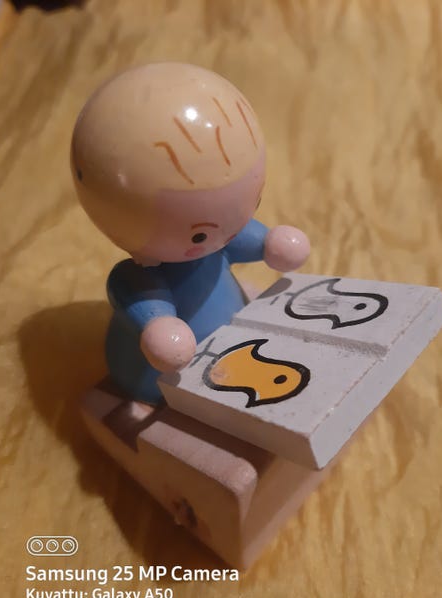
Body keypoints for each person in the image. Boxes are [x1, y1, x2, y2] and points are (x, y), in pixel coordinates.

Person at [71, 62, 310, 403]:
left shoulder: (222, 236)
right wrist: (158, 325)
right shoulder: (141, 274)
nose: (227, 230)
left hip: (240, 350)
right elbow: (138, 295)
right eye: (200, 235)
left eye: (252, 204)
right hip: (155, 379)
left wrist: (268, 243)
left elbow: (233, 235)